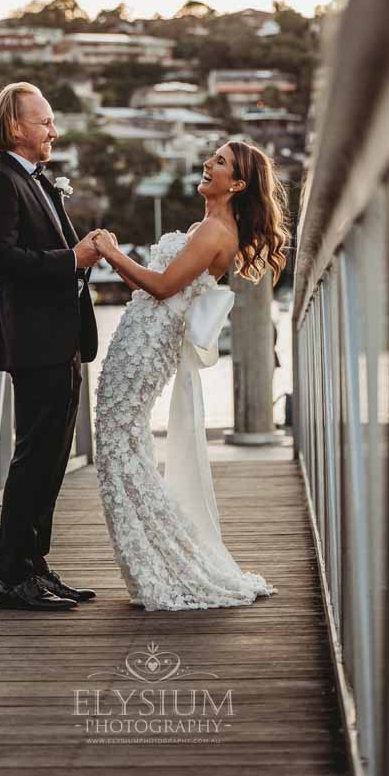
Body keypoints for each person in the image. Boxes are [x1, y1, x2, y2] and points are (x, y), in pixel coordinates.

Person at [92, 140, 291, 611]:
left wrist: (108, 251)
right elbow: (154, 283)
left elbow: (161, 287)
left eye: (220, 162)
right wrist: (122, 259)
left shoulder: (216, 231)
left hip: (147, 347)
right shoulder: (210, 227)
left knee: (120, 447)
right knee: (124, 445)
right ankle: (157, 561)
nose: (208, 163)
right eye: (213, 157)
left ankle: (168, 563)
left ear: (237, 184)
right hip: (140, 338)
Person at [0, 82, 103, 612]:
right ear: (16, 127)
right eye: (45, 121)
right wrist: (73, 259)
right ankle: (11, 578)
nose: (54, 130)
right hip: (36, 341)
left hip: (64, 339)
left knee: (52, 460)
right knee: (33, 458)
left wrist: (79, 257)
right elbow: (2, 262)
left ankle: (36, 567)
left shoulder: (39, 182)